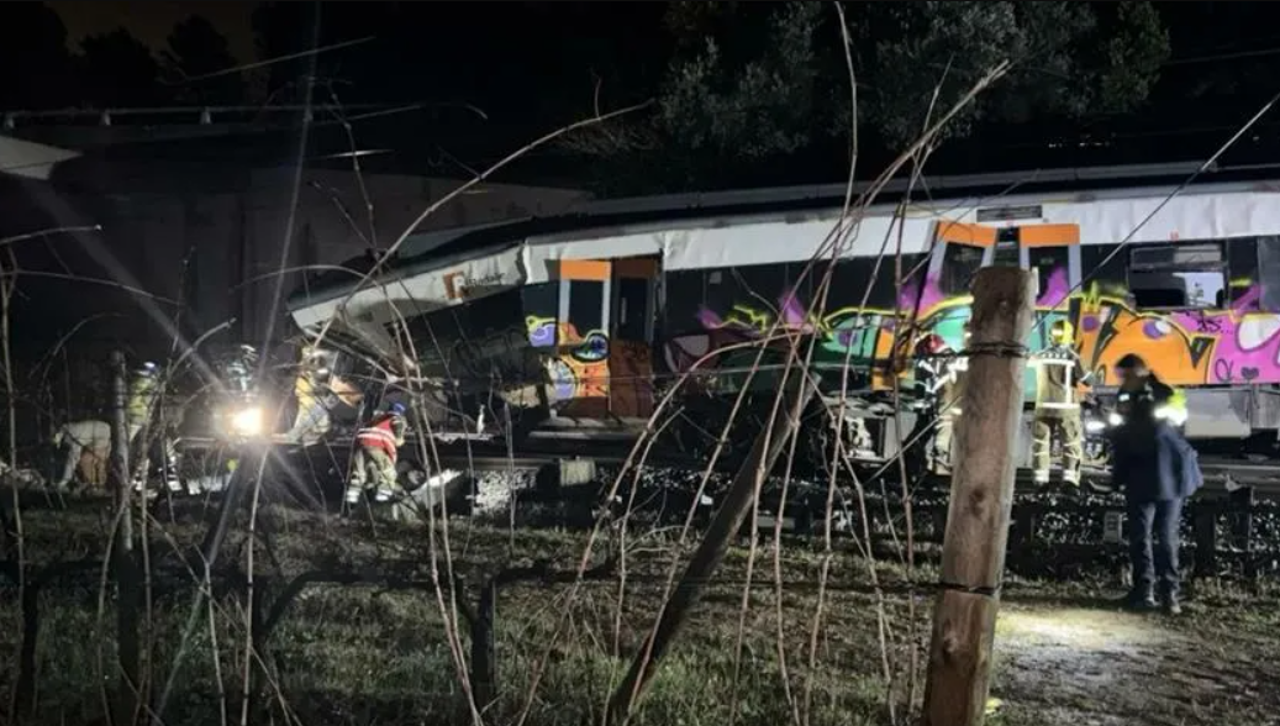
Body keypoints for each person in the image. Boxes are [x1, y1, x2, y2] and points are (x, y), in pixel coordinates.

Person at [1111, 354, 1203, 615]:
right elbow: (1121, 435)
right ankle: (1145, 591)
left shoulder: (1164, 393)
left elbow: (1160, 430)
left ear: (1140, 372)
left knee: (1164, 536)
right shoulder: (1126, 396)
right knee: (1142, 536)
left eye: (1126, 375)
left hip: (1166, 474)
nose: (1123, 381)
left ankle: (1167, 594)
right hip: (1149, 474)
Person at [1031, 320, 1091, 486]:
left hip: (1042, 408)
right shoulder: (1073, 357)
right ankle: (1069, 481)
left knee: (1041, 444)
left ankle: (1040, 480)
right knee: (1071, 443)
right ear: (1070, 337)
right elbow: (1088, 381)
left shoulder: (1040, 355)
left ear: (1051, 336)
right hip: (1067, 409)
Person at [346, 402, 409, 504]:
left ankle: (352, 494)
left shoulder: (376, 418)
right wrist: (399, 438)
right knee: (388, 471)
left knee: (359, 473)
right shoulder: (396, 417)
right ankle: (384, 492)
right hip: (377, 446)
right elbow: (398, 433)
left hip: (361, 446)